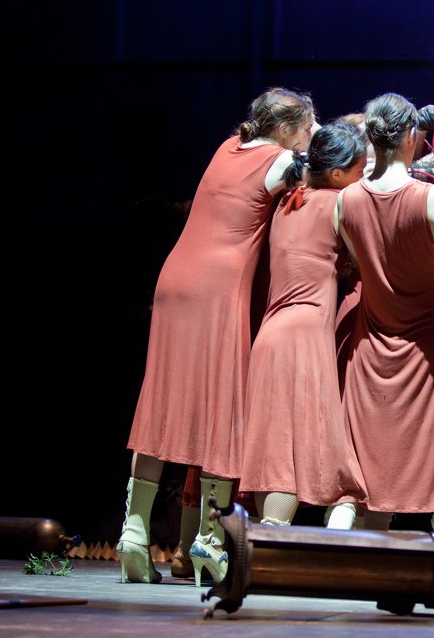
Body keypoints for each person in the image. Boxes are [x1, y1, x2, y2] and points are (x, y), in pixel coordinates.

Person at [119, 87, 317, 585]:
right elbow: (320, 174)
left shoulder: (227, 147)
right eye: (306, 127)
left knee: (160, 402)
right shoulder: (279, 160)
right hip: (218, 287)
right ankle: (209, 540)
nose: (309, 135)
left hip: (175, 280)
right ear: (285, 129)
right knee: (222, 408)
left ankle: (133, 534)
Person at [335, 92, 434, 531]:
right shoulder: (429, 197)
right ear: (412, 137)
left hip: (372, 343)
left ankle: (363, 551)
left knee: (373, 458)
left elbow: (361, 260)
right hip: (429, 345)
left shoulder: (346, 201)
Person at [237, 122, 370, 540]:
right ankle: (283, 536)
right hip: (305, 334)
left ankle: (271, 534)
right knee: (303, 444)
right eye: (360, 170)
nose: (363, 177)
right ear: (337, 174)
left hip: (271, 335)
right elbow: (369, 259)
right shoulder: (339, 203)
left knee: (277, 443)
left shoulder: (287, 202)